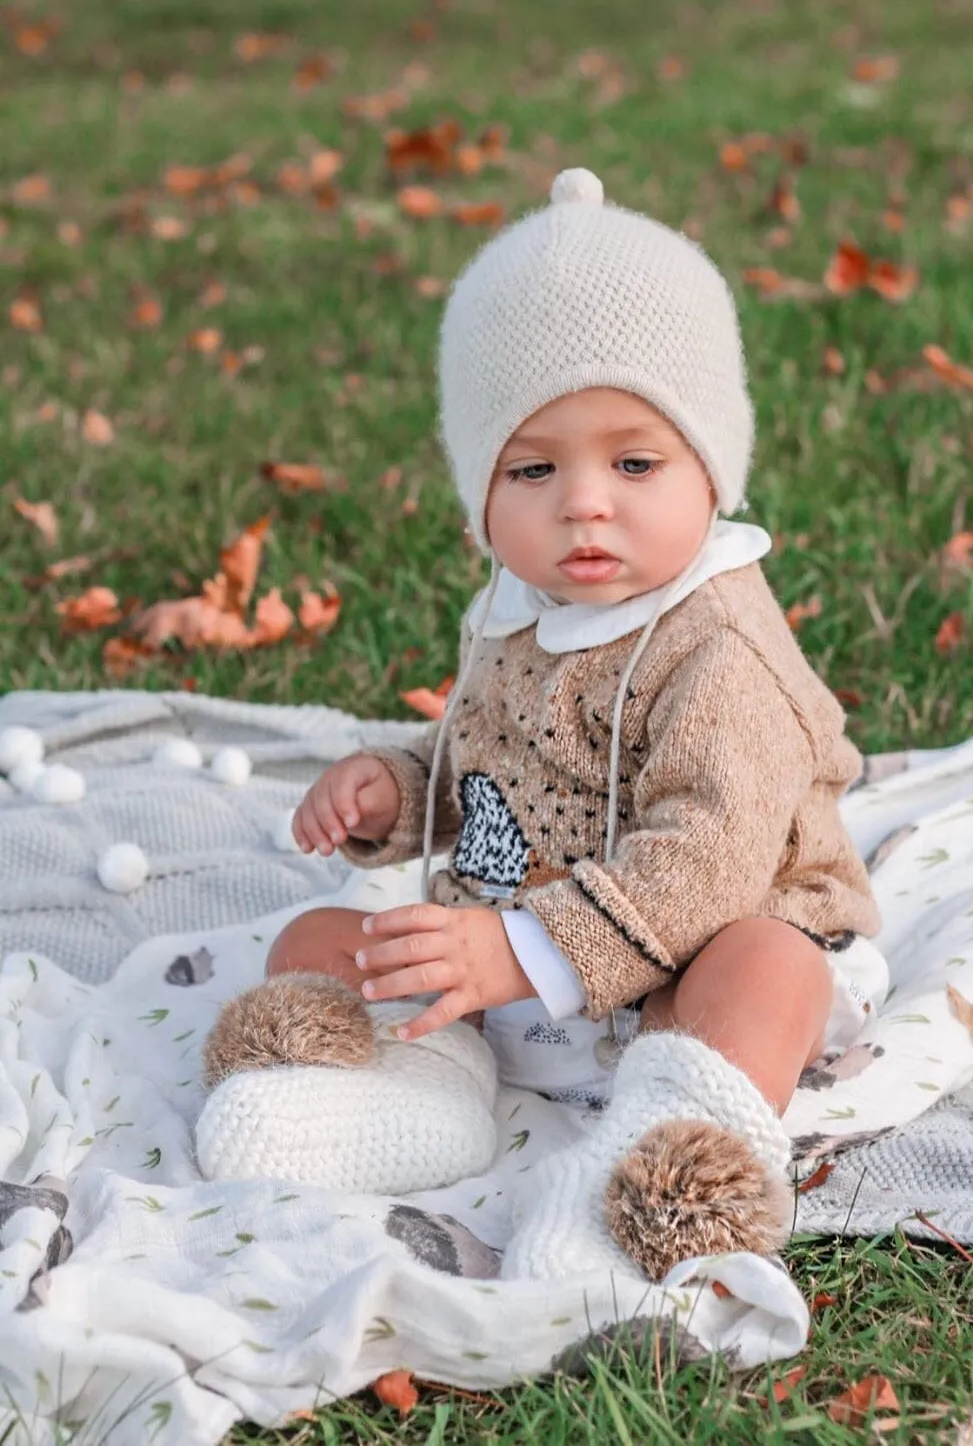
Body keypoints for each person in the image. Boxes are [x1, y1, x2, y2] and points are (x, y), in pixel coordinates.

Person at [271, 167, 890, 1278]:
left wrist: (523, 946)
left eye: (636, 461)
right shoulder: (523, 611)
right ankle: (425, 1097)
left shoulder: (719, 644)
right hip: (512, 970)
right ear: (483, 490)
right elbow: (488, 768)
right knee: (320, 942)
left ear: (712, 466)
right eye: (534, 466)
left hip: (689, 967)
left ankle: (670, 1152)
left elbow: (712, 853)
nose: (584, 502)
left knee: (771, 961)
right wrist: (396, 787)